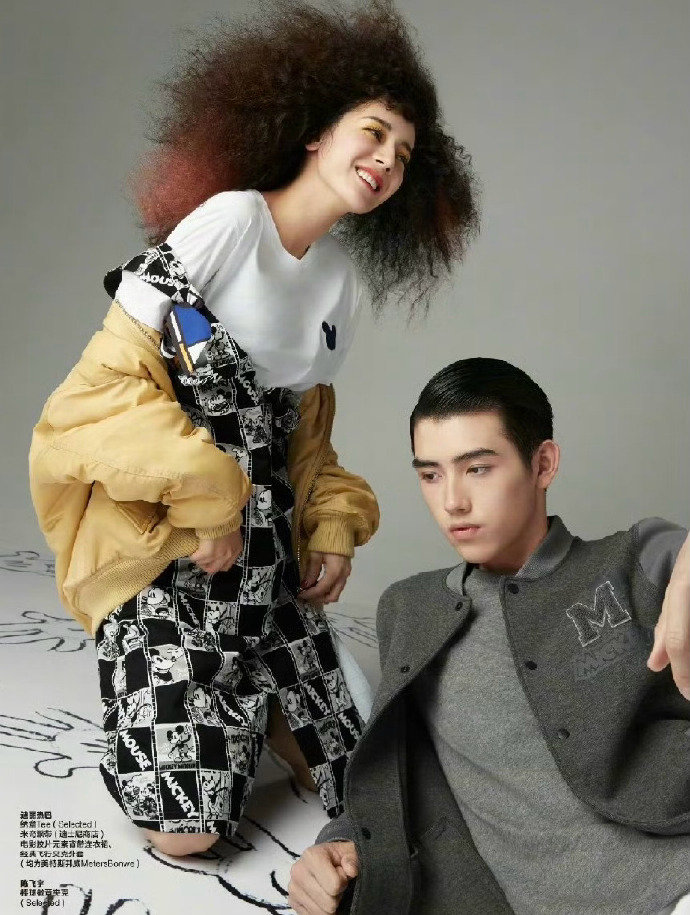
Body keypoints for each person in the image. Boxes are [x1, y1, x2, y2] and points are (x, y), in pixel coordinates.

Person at [28, 1, 479, 859]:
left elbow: (307, 443)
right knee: (188, 833)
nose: (386, 160)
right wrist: (205, 500)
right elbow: (93, 399)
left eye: (403, 154)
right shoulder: (231, 221)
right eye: (373, 133)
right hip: (174, 562)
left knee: (374, 787)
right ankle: (165, 700)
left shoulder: (338, 279)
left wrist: (332, 525)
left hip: (268, 580)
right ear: (314, 132)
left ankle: (259, 702)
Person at [288, 357, 690, 915]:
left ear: (543, 464)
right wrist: (336, 843)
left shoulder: (636, 559)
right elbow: (397, 762)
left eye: (477, 468)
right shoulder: (411, 608)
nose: (452, 501)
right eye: (431, 475)